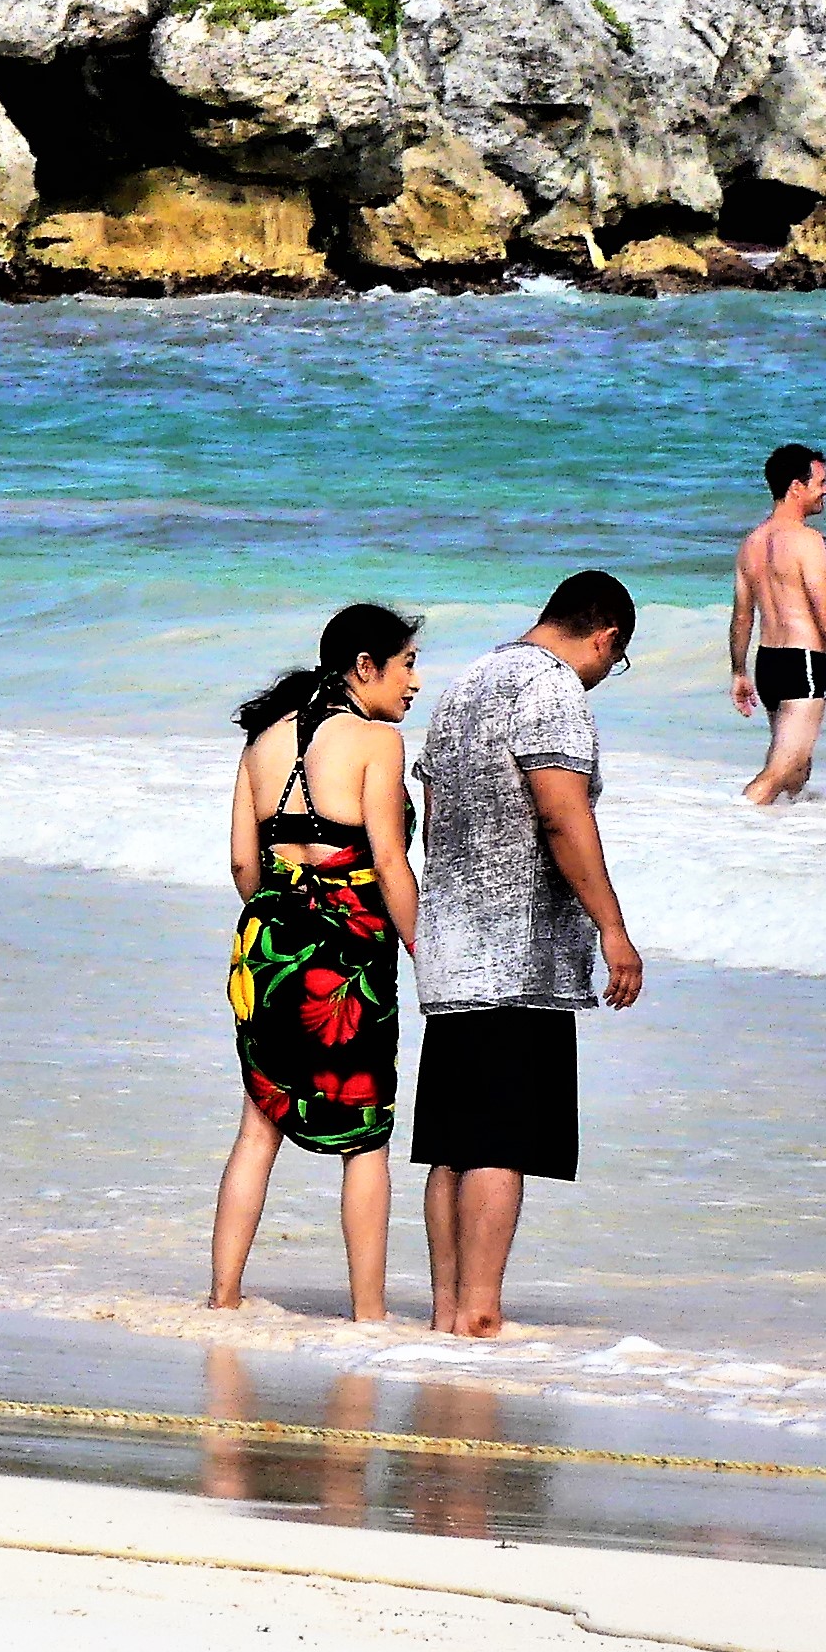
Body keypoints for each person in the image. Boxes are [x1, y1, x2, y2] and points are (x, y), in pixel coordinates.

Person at [413, 573, 645, 1337]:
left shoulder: (464, 685)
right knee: (499, 1140)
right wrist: (612, 928)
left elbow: (434, 824)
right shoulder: (553, 690)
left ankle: (448, 1313)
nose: (607, 673)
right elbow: (561, 813)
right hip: (518, 955)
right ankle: (480, 1312)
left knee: (451, 1145)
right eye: (616, 660)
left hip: (451, 946)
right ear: (606, 638)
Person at [208, 605, 423, 1320]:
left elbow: (243, 864)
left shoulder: (262, 741)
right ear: (365, 666)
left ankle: (223, 1297)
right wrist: (424, 951)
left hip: (267, 945)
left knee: (257, 1124)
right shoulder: (377, 742)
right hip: (350, 951)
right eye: (407, 664)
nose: (415, 682)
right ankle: (368, 1314)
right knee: (366, 1137)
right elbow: (389, 863)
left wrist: (284, 922)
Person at [731, 443, 826, 804]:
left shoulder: (751, 544)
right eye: (820, 483)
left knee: (796, 771)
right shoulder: (807, 541)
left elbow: (742, 616)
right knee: (780, 772)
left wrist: (739, 671)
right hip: (801, 661)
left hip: (768, 663)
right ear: (796, 487)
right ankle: (731, 822)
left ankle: (781, 832)